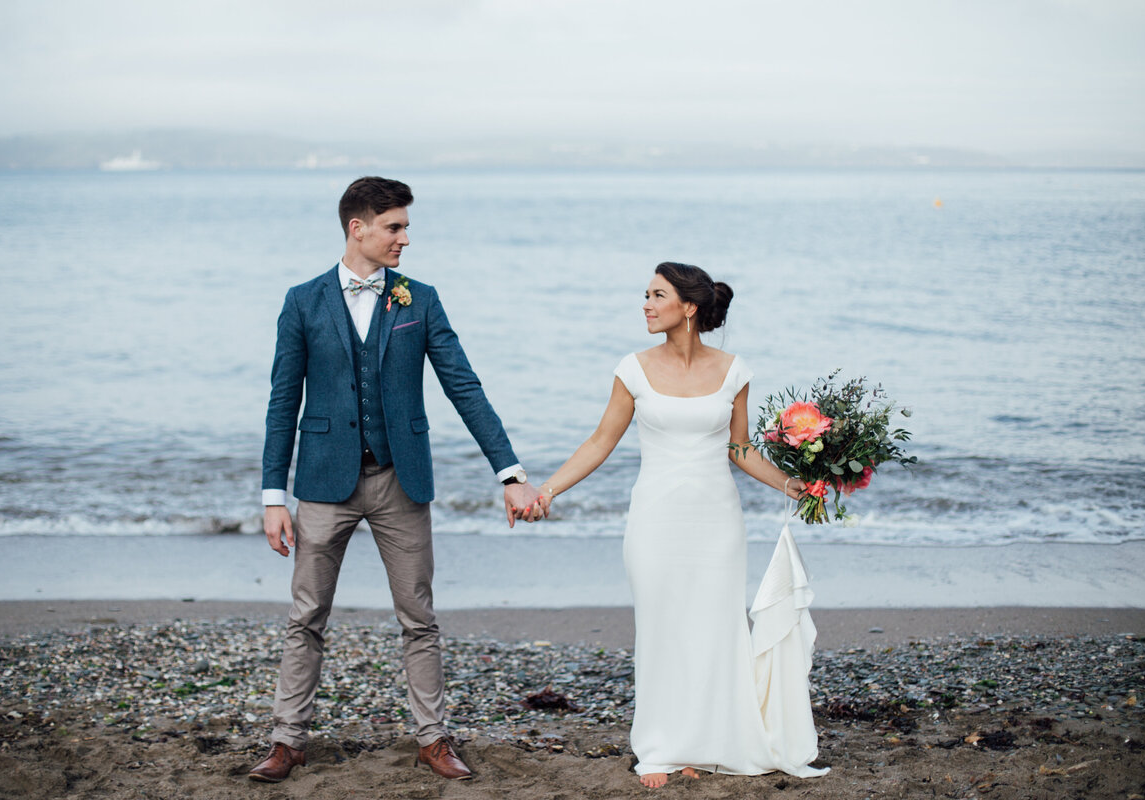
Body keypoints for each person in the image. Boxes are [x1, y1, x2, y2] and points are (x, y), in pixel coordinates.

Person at [250, 177, 544, 783]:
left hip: (399, 481)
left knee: (419, 617)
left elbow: (464, 386)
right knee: (306, 615)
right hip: (323, 483)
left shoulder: (421, 299)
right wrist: (273, 496)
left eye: (405, 227)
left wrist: (509, 472)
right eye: (395, 227)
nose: (405, 238)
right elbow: (283, 402)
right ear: (357, 228)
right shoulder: (302, 301)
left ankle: (433, 739)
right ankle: (287, 741)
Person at [537, 262, 830, 788]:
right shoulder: (633, 368)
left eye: (657, 295)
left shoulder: (735, 369)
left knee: (714, 629)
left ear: (689, 307)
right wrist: (547, 490)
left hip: (717, 521)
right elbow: (601, 441)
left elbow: (740, 450)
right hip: (654, 520)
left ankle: (709, 741)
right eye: (645, 295)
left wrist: (795, 485)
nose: (646, 305)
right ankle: (662, 745)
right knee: (663, 628)